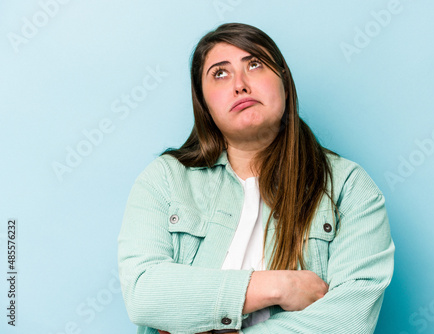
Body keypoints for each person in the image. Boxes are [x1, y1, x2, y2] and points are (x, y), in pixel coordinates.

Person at [117, 22, 395, 334]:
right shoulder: (165, 179)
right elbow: (143, 292)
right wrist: (278, 286)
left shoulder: (348, 187)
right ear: (204, 105)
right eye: (220, 73)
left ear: (284, 83)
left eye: (255, 64)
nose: (240, 84)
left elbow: (350, 319)